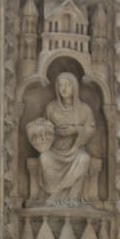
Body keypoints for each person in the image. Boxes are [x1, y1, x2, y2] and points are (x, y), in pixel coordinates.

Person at [35, 73, 95, 205]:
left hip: (75, 151)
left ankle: (72, 198)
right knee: (44, 158)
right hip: (56, 151)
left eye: (67, 85)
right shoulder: (51, 108)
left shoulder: (84, 109)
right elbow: (45, 127)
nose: (63, 88)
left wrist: (76, 129)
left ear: (74, 87)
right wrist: (41, 123)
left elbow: (90, 128)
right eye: (60, 85)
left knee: (84, 158)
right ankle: (54, 195)